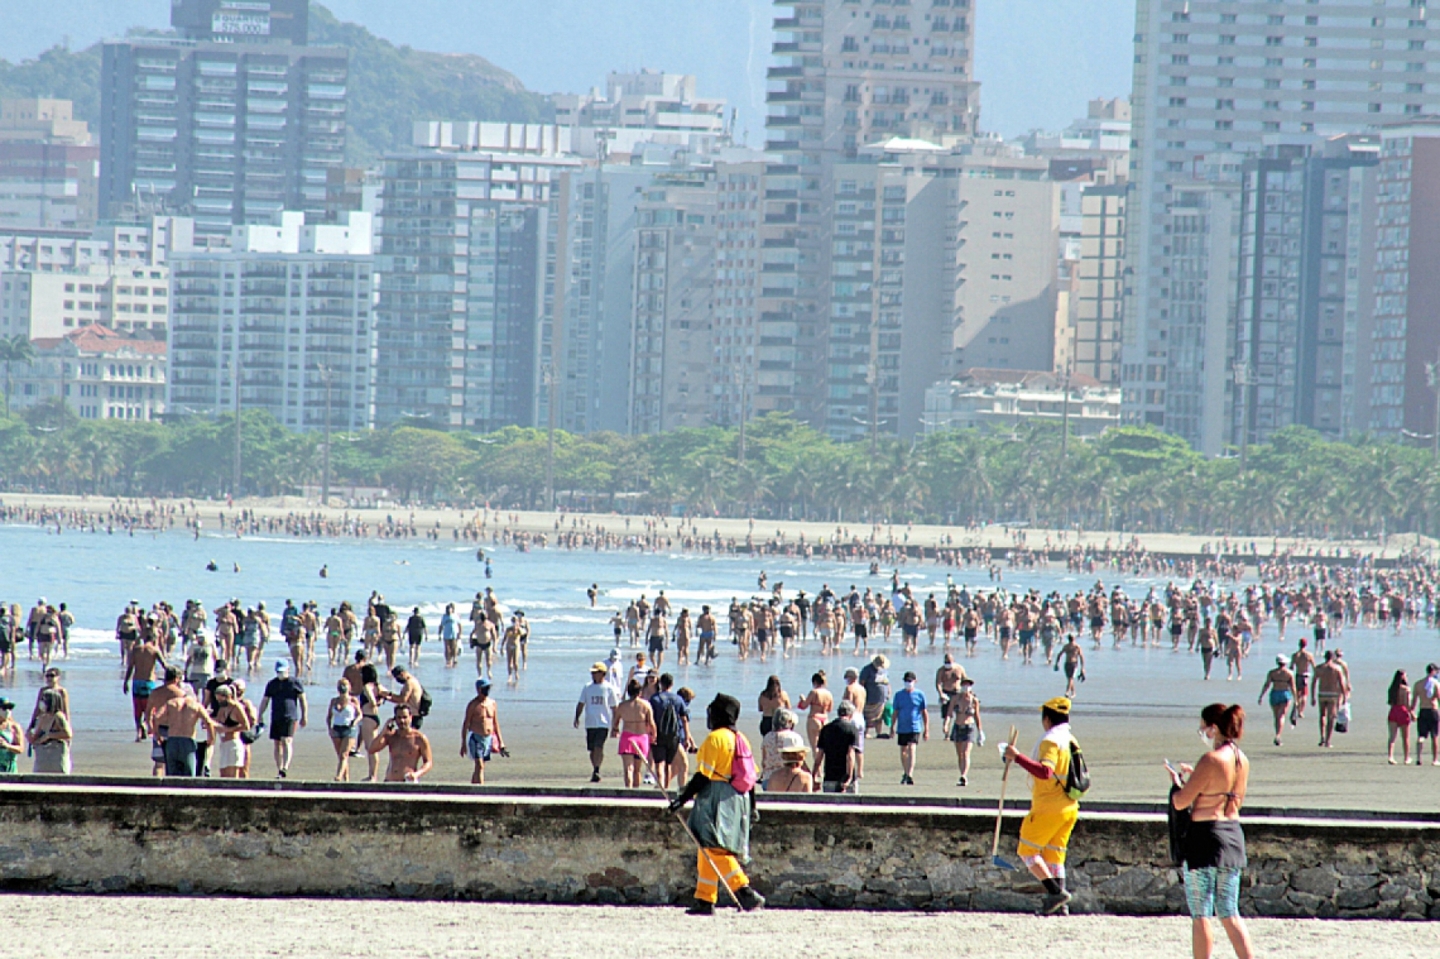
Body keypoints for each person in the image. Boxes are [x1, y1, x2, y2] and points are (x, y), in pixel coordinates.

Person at [1168, 704, 1255, 959]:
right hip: (1232, 833)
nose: (1202, 732)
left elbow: (1182, 801)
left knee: (1201, 912)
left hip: (1205, 836)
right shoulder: (1242, 759)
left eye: (1203, 726)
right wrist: (1198, 778)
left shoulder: (1211, 759)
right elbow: (1228, 792)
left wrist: (1177, 784)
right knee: (1229, 910)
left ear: (1213, 727)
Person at [667, 693, 764, 915]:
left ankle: (744, 891)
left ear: (719, 715)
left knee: (715, 848)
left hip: (716, 798)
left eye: (710, 713)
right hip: (738, 798)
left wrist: (682, 799)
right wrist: (753, 806)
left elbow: (703, 776)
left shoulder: (715, 739)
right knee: (706, 847)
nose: (708, 718)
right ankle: (704, 898)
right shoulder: (741, 738)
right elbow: (751, 778)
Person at [1003, 696, 1082, 916]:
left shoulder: (1051, 741)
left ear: (1047, 719)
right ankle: (1060, 906)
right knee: (1054, 856)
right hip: (1069, 806)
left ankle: (1056, 893)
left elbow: (1046, 772)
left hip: (1049, 806)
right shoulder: (1070, 739)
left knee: (1027, 850)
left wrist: (1017, 757)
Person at [259, 660, 307, 778]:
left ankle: (285, 767)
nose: (280, 674)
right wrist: (260, 714)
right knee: (277, 743)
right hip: (276, 716)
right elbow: (265, 700)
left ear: (288, 669)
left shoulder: (295, 683)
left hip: (290, 716)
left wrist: (304, 716)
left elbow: (302, 700)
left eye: (282, 671)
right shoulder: (272, 684)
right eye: (278, 672)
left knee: (286, 741)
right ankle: (279, 768)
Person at [154, 688, 217, 777]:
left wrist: (157, 735)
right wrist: (211, 739)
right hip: (188, 741)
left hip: (172, 740)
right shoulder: (196, 705)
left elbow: (156, 718)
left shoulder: (171, 703)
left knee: (172, 775)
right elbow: (209, 722)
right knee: (190, 774)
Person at [575, 662, 619, 783]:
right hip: (590, 723)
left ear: (602, 674)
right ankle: (595, 768)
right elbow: (581, 703)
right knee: (592, 750)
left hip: (603, 723)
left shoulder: (609, 688)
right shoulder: (587, 687)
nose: (593, 675)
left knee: (599, 746)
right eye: (592, 673)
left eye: (595, 673)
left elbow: (615, 708)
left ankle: (597, 770)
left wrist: (615, 725)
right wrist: (576, 717)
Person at [367, 704, 433, 782]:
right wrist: (383, 731)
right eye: (399, 717)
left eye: (405, 717)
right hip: (390, 780)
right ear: (395, 719)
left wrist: (417, 774)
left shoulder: (419, 738)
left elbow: (428, 762)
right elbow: (371, 749)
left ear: (410, 717)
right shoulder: (391, 736)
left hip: (408, 780)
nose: (402, 721)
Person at [612, 678, 657, 789]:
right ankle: (636, 792)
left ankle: (628, 790)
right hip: (642, 738)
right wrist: (654, 736)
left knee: (628, 768)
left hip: (628, 737)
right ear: (640, 692)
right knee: (637, 770)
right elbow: (651, 723)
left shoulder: (622, 706)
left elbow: (615, 722)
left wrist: (615, 730)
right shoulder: (645, 705)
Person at [649, 673, 691, 790]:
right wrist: (687, 738)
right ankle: (668, 788)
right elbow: (684, 719)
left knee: (660, 764)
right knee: (668, 764)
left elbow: (650, 718)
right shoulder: (678, 699)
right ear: (672, 684)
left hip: (658, 735)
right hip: (674, 736)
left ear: (660, 683)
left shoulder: (655, 699)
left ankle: (662, 788)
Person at [461, 679, 507, 785]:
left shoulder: (492, 703)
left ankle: (473, 788)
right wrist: (463, 743)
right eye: (485, 688)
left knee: (480, 767)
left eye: (488, 688)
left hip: (487, 738)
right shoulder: (473, 705)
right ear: (478, 690)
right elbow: (466, 724)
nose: (487, 690)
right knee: (480, 765)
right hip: (475, 737)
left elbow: (495, 723)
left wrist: (501, 741)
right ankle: (481, 790)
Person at [891, 670, 930, 785]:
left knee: (912, 748)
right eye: (906, 681)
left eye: (910, 681)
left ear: (915, 681)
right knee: (903, 751)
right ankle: (905, 771)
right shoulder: (899, 695)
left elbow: (924, 712)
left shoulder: (920, 695)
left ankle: (910, 774)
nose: (908, 683)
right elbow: (895, 712)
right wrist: (891, 727)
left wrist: (926, 729)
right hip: (902, 727)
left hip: (915, 726)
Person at [815, 700, 861, 794]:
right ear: (851, 714)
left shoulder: (826, 729)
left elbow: (819, 755)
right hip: (844, 777)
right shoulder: (852, 729)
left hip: (829, 776)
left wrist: (814, 774)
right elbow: (850, 755)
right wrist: (849, 776)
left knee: (829, 806)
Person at [210, 684, 251, 779]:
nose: (219, 702)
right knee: (223, 774)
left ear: (228, 696)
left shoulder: (237, 707)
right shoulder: (223, 708)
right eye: (218, 700)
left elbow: (246, 725)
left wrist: (229, 729)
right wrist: (208, 719)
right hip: (224, 744)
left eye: (221, 699)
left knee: (232, 775)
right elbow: (218, 720)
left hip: (234, 744)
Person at [759, 708, 806, 789]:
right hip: (789, 778)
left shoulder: (767, 737)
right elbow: (800, 759)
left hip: (768, 778)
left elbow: (764, 761)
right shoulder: (794, 737)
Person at [948, 676, 982, 787]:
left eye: (968, 685)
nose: (966, 687)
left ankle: (964, 775)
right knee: (960, 754)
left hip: (969, 727)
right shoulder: (955, 698)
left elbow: (977, 716)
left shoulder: (974, 700)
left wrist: (980, 731)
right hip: (958, 726)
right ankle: (961, 773)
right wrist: (946, 724)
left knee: (966, 752)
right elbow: (949, 713)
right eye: (964, 685)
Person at [28, 688, 71, 774]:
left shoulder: (58, 716)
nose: (41, 702)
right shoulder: (42, 717)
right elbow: (34, 738)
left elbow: (68, 733)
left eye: (44, 700)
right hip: (42, 757)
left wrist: (49, 735)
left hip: (56, 754)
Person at [1256, 656, 1295, 747]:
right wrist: (1296, 699)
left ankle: (1277, 733)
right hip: (1284, 693)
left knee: (1276, 716)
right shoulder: (1289, 673)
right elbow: (1293, 687)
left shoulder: (1272, 673)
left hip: (1274, 693)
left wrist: (1261, 696)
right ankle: (1278, 735)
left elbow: (1267, 685)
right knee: (1281, 716)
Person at [327, 679, 361, 781]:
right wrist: (330, 728)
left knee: (344, 754)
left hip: (349, 728)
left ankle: (338, 776)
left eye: (344, 685)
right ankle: (346, 779)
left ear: (349, 687)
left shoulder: (353, 700)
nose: (342, 687)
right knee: (341, 756)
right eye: (340, 685)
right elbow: (329, 717)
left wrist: (354, 722)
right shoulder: (334, 701)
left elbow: (360, 714)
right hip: (337, 728)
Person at [1312, 651, 1347, 749]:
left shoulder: (1319, 668)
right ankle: (1328, 740)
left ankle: (1322, 737)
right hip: (1333, 694)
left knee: (1322, 715)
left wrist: (1312, 697)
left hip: (1322, 693)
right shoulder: (1337, 668)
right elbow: (1341, 683)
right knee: (1331, 717)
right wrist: (1344, 696)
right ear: (1332, 657)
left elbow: (1314, 682)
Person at [795, 671, 833, 756]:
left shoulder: (814, 692)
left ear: (815, 682)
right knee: (823, 747)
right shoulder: (829, 694)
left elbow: (804, 706)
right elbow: (830, 709)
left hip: (814, 718)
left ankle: (817, 768)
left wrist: (802, 699)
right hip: (825, 719)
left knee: (814, 747)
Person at [1411, 662, 1440, 766]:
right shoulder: (1436, 683)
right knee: (1434, 736)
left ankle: (1419, 757)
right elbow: (1439, 697)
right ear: (1433, 672)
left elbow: (1414, 701)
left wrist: (1412, 712)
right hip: (1433, 710)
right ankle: (1435, 759)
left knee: (1421, 736)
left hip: (1423, 710)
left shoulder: (1418, 684)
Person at [859, 654, 891, 738]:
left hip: (882, 698)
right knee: (867, 715)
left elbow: (887, 682)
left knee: (879, 716)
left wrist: (889, 692)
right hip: (870, 697)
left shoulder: (884, 670)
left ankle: (878, 733)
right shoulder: (867, 670)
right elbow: (862, 682)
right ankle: (866, 732)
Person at [1387, 669, 1414, 765]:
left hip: (1394, 710)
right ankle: (1406, 758)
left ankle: (1390, 756)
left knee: (1392, 737)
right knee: (1405, 737)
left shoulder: (1392, 689)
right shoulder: (1406, 689)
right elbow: (1407, 704)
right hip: (1403, 711)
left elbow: (1390, 702)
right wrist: (1412, 714)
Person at [0, 698, 23, 774]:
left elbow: (20, 749)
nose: (7, 711)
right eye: (4, 708)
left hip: (9, 766)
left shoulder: (14, 727)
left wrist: (7, 746)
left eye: (9, 708)